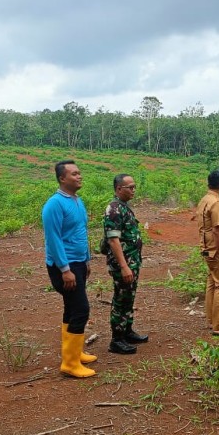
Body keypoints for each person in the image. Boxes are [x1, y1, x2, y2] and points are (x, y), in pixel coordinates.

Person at [42, 160, 96, 378]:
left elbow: (81, 232)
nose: (79, 176)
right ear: (62, 178)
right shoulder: (54, 204)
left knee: (71, 308)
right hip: (64, 265)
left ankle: (75, 352)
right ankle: (70, 363)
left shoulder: (77, 201)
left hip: (78, 263)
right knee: (81, 309)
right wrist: (65, 269)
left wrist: (87, 260)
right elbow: (53, 240)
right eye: (74, 174)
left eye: (79, 173)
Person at [102, 173, 147, 355]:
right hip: (124, 264)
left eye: (134, 187)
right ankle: (117, 339)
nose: (133, 190)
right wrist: (124, 266)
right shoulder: (113, 209)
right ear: (119, 189)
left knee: (129, 297)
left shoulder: (123, 207)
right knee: (121, 299)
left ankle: (127, 331)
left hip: (131, 262)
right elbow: (113, 241)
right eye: (130, 187)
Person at [196, 169, 219, 336]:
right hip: (215, 249)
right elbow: (217, 229)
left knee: (212, 282)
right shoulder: (216, 203)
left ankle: (213, 320)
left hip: (206, 248)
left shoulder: (205, 199)